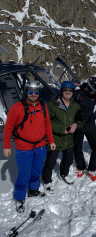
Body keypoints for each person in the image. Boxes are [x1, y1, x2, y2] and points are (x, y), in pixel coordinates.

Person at [3, 80, 56, 213]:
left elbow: (47, 126)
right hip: (23, 147)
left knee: (36, 171)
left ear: (39, 93)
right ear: (26, 92)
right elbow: (8, 127)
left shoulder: (43, 106)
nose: (33, 94)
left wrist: (51, 141)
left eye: (36, 92)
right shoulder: (17, 108)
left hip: (40, 146)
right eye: (30, 92)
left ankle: (33, 190)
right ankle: (20, 197)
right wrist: (7, 145)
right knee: (24, 174)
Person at [42, 81, 85, 191]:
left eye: (70, 90)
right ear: (61, 91)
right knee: (50, 162)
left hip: (69, 140)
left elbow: (81, 119)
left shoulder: (75, 106)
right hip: (55, 139)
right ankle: (46, 181)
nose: (68, 92)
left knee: (68, 160)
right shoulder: (53, 105)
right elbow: (46, 122)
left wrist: (76, 124)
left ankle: (64, 174)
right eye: (65, 90)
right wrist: (61, 129)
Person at [73, 77, 96, 181]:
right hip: (78, 126)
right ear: (88, 88)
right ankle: (80, 167)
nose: (94, 94)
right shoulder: (76, 95)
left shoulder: (92, 97)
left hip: (90, 126)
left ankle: (91, 169)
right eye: (93, 91)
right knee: (77, 148)